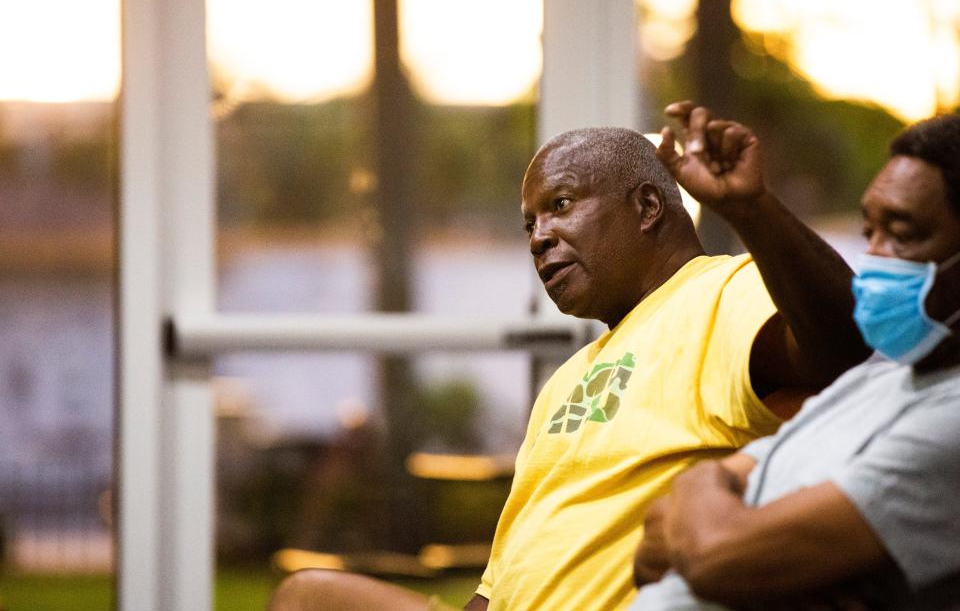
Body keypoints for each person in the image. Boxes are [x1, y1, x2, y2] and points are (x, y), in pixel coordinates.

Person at [268, 107, 869, 611]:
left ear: (648, 208)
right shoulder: (569, 379)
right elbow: (498, 582)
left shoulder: (721, 291)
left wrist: (753, 209)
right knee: (308, 596)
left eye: (560, 205)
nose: (538, 237)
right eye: (529, 223)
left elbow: (841, 349)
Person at [632, 111, 960, 610]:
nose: (874, 258)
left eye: (903, 232)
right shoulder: (878, 379)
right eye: (869, 231)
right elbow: (652, 548)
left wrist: (708, 520)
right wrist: (703, 493)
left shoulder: (950, 419)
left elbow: (716, 555)